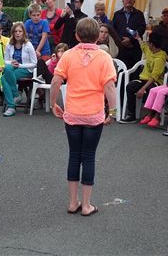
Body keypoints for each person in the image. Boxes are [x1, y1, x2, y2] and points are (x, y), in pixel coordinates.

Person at [49, 17, 117, 217]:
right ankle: (86, 205)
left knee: (74, 155)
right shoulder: (104, 58)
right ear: (98, 37)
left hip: (73, 114)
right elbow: (110, 87)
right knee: (88, 157)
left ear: (77, 35)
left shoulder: (68, 55)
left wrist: (53, 104)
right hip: (93, 115)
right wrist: (112, 111)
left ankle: (72, 202)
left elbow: (56, 81)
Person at [121, 32, 167, 125]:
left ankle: (152, 115)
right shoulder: (149, 50)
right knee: (130, 86)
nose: (147, 44)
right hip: (143, 79)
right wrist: (138, 38)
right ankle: (131, 115)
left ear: (152, 45)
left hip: (154, 81)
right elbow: (143, 45)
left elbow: (154, 77)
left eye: (149, 42)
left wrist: (142, 89)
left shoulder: (160, 58)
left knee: (150, 90)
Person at [2, 22, 37, 117]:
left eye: (20, 31)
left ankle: (11, 106)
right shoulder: (9, 44)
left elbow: (34, 63)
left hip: (26, 70)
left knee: (4, 79)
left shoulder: (28, 45)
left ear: (23, 33)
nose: (17, 33)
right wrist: (12, 62)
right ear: (12, 33)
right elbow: (5, 61)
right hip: (12, 69)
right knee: (8, 68)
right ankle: (15, 95)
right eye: (15, 31)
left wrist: (20, 65)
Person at [111, 0, 147, 70]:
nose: (129, 1)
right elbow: (113, 30)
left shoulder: (139, 14)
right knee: (121, 70)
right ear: (123, 1)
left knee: (134, 70)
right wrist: (121, 41)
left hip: (134, 48)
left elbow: (142, 28)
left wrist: (130, 40)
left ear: (134, 2)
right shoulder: (117, 14)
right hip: (120, 48)